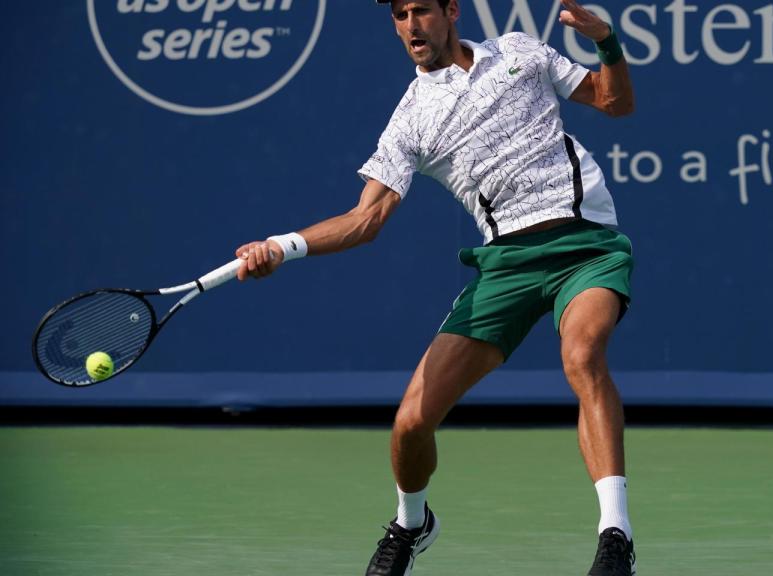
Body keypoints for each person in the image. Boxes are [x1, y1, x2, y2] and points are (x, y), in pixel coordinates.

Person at [234, 0, 637, 574]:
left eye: (420, 9)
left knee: (582, 355)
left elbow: (615, 100)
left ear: (451, 11)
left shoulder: (520, 51)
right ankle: (411, 522)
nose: (409, 25)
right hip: (506, 267)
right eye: (398, 16)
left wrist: (607, 41)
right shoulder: (412, 118)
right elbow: (364, 219)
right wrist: (282, 244)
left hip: (587, 248)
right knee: (410, 425)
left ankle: (615, 538)